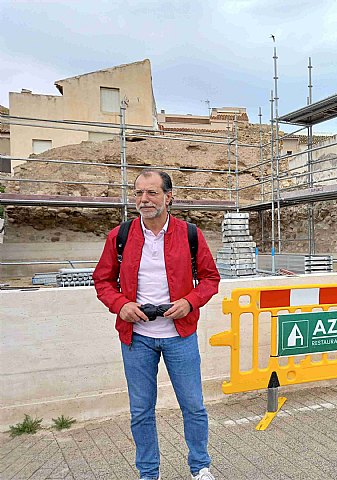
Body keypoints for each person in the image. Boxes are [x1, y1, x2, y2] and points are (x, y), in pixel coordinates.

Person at [93, 169, 220, 480]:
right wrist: (120, 305)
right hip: (137, 338)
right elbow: (102, 280)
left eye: (151, 193)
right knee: (140, 411)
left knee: (193, 406)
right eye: (139, 193)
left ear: (168, 197)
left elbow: (210, 278)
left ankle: (200, 467)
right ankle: (148, 473)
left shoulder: (190, 233)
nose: (144, 199)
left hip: (180, 335)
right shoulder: (119, 236)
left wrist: (189, 302)